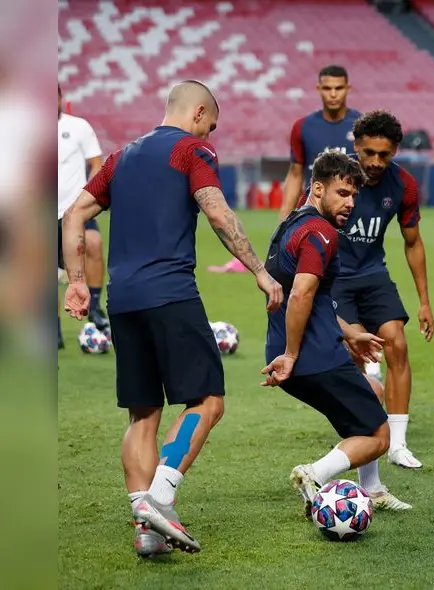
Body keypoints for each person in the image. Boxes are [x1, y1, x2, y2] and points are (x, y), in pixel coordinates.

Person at [61, 80, 283, 556]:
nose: (213, 133)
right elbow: (219, 214)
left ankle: (146, 531)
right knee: (208, 400)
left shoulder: (120, 158)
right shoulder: (192, 149)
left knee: (143, 413)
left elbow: (73, 215)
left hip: (123, 301)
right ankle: (159, 500)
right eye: (213, 124)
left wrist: (78, 280)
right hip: (171, 294)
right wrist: (261, 272)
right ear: (199, 113)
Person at [261, 150, 411, 516]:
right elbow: (301, 293)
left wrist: (347, 332)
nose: (350, 203)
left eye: (354, 195)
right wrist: (294, 356)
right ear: (316, 189)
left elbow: (314, 299)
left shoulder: (291, 224)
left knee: (372, 393)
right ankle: (313, 474)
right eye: (342, 193)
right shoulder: (321, 232)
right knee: (379, 436)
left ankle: (371, 489)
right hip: (311, 358)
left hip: (291, 350)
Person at [299, 110, 434, 470]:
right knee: (357, 350)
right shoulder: (336, 180)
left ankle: (398, 444)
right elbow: (306, 224)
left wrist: (424, 301)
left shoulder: (403, 185)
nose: (375, 162)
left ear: (395, 152)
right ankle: (364, 436)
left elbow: (413, 242)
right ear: (355, 145)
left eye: (384, 154)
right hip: (336, 275)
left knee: (398, 343)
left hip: (373, 274)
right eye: (369, 153)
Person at [212, 64, 360, 272]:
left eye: (339, 88)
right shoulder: (304, 127)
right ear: (318, 89)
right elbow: (296, 174)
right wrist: (285, 215)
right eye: (327, 89)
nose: (333, 94)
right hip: (315, 216)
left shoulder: (360, 126)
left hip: (351, 215)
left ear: (348, 88)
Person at [57, 83, 109, 347]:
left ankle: (96, 306)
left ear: (59, 97)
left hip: (76, 208)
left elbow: (97, 163)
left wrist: (88, 196)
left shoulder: (78, 127)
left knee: (94, 244)